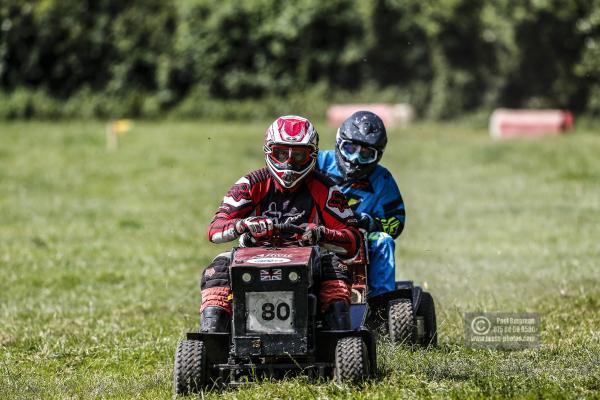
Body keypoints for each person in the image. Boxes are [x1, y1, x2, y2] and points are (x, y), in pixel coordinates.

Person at [200, 115, 361, 332]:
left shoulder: (325, 188)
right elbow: (215, 228)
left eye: (298, 155)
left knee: (335, 267)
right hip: (253, 255)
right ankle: (213, 339)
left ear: (311, 155)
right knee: (217, 270)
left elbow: (353, 240)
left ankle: (337, 338)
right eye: (282, 153)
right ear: (269, 151)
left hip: (307, 256)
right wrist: (243, 225)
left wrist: (321, 233)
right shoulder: (251, 183)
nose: (289, 163)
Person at [317, 111, 405, 297]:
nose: (355, 159)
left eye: (366, 154)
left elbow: (396, 223)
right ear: (339, 142)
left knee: (383, 241)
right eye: (350, 149)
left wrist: (370, 223)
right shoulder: (318, 163)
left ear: (378, 156)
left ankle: (380, 305)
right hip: (313, 234)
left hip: (358, 241)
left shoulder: (382, 179)